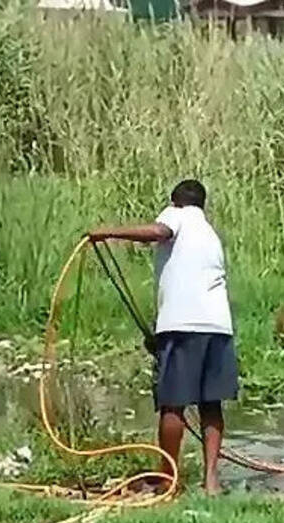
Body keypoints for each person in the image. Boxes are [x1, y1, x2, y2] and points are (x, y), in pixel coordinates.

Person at [88, 179, 237, 497]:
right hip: (219, 326)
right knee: (211, 405)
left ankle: (168, 479)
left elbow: (159, 232)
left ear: (175, 202)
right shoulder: (210, 233)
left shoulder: (177, 215)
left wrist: (108, 233)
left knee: (173, 404)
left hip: (183, 325)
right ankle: (211, 481)